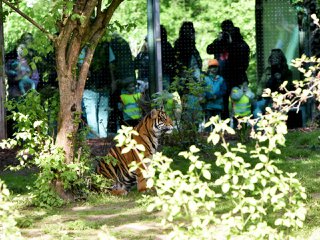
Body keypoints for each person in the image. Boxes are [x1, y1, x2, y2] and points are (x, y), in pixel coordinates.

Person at [81, 40, 115, 139]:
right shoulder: (106, 45)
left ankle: (94, 138)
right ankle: (103, 137)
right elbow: (111, 65)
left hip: (90, 85)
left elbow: (80, 64)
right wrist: (112, 81)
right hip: (104, 83)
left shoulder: (84, 45)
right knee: (103, 112)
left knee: (91, 112)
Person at [253, 49, 292, 119]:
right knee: (256, 107)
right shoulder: (268, 71)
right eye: (272, 57)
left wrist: (279, 79)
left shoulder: (287, 72)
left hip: (281, 99)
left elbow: (287, 88)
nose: (273, 59)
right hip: (267, 98)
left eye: (275, 57)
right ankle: (259, 127)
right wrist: (258, 96)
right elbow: (262, 84)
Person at [203, 59, 227, 130]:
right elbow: (203, 89)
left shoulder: (221, 79)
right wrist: (208, 96)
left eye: (216, 67)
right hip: (208, 105)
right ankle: (206, 137)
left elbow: (223, 90)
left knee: (216, 124)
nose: (214, 69)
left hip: (218, 105)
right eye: (212, 67)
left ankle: (217, 137)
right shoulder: (205, 79)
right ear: (209, 68)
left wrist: (216, 95)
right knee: (207, 122)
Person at [160, 25, 175, 89]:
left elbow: (171, 59)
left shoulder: (167, 46)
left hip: (165, 73)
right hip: (164, 72)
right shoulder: (167, 45)